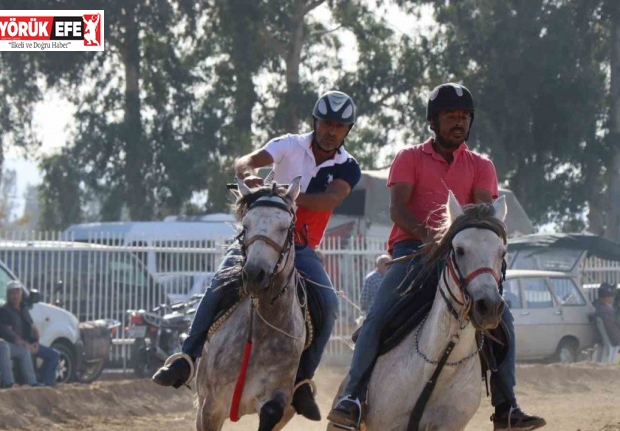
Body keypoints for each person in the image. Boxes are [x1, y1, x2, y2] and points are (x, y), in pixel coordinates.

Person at [328, 83, 545, 431]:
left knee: (503, 321)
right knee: (378, 317)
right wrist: (433, 240)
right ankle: (352, 397)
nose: (458, 123)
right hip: (413, 251)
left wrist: (460, 245)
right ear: (433, 121)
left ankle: (506, 406)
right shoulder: (409, 157)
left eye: (464, 117)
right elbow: (398, 210)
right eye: (450, 116)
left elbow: (479, 212)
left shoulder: (481, 165)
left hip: (462, 256)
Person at [153, 90, 362, 421]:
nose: (331, 130)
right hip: (259, 239)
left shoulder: (348, 166)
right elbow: (243, 161)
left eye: (339, 126)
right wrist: (250, 176)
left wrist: (281, 195)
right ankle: (187, 357)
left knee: (330, 303)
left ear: (347, 130)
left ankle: (302, 383)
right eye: (326, 123)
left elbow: (328, 200)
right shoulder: (290, 144)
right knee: (219, 284)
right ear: (315, 122)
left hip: (301, 248)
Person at [0, 281, 59, 386]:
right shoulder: (3, 312)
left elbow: (32, 328)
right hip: (17, 345)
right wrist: (24, 344)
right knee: (25, 352)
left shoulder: (24, 309)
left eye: (17, 292)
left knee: (54, 355)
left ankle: (46, 383)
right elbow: (7, 333)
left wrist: (35, 341)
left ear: (21, 294)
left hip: (29, 343)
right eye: (12, 293)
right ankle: (34, 383)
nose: (15, 296)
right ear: (8, 295)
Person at [594, 283, 620, 353]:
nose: (613, 298)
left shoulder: (601, 308)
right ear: (607, 297)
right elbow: (614, 330)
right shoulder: (607, 311)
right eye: (612, 295)